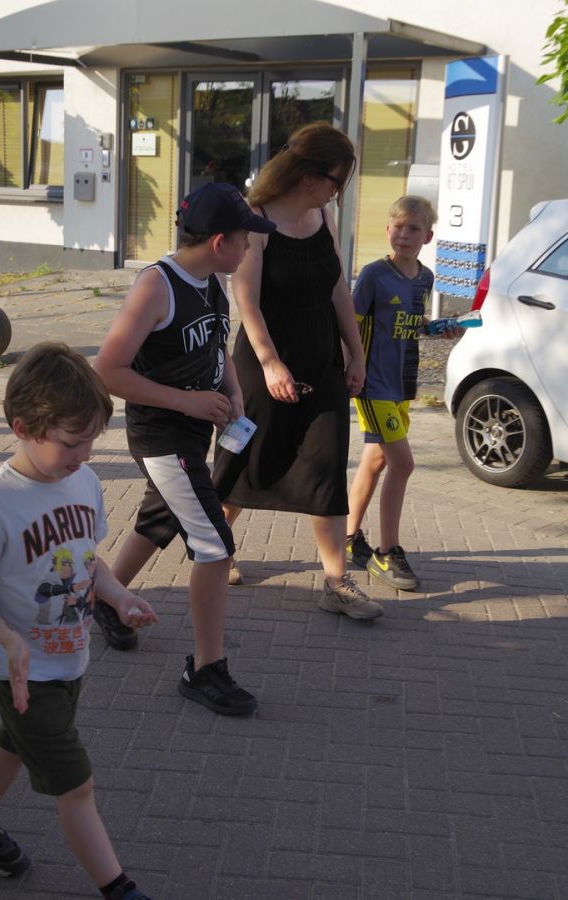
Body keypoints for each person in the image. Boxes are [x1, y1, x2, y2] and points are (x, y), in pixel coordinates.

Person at [0, 342, 157, 900]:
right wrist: (8, 640)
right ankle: (118, 888)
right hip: (21, 672)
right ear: (24, 427)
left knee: (16, 745)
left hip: (69, 660)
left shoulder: (83, 483)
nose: (83, 454)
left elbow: (90, 559)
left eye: (91, 440)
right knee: (76, 784)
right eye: (70, 442)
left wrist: (119, 598)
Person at [93, 182, 273, 716]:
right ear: (219, 242)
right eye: (244, 239)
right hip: (161, 435)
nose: (249, 247)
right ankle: (205, 669)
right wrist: (186, 401)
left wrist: (233, 391)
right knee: (215, 544)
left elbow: (218, 346)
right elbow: (108, 371)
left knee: (160, 516)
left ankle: (106, 598)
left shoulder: (213, 282)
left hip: (193, 432)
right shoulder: (158, 285)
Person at [212, 122, 384, 620]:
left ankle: (336, 583)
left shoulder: (323, 215)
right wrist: (270, 364)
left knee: (326, 466)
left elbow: (338, 288)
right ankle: (215, 547)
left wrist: (356, 353)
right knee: (242, 463)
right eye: (336, 180)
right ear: (309, 176)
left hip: (320, 360)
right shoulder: (257, 220)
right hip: (264, 363)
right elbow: (246, 300)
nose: (338, 191)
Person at [345, 196, 462, 591]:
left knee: (376, 461)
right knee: (403, 464)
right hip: (373, 385)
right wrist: (351, 366)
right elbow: (350, 324)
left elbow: (411, 322)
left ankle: (348, 538)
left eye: (414, 229)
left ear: (428, 236)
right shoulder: (374, 275)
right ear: (387, 231)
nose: (404, 235)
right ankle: (386, 553)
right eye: (398, 227)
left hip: (402, 385)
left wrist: (437, 328)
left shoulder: (425, 278)